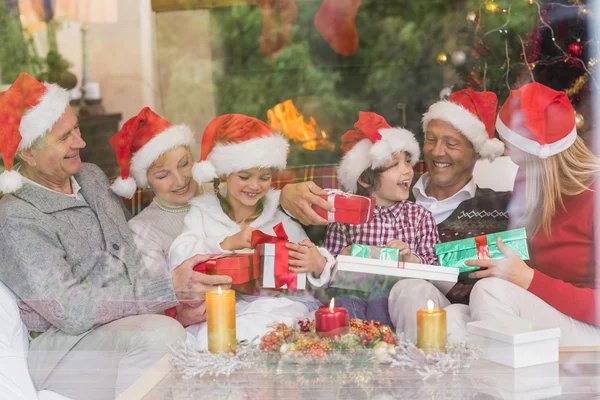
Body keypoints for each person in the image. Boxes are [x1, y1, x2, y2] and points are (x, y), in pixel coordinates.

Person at [0, 73, 208, 399]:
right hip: (62, 348)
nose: (80, 142)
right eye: (64, 137)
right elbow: (71, 311)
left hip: (124, 327)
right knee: (160, 335)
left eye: (77, 129)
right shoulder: (16, 217)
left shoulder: (92, 177)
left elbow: (130, 260)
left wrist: (174, 308)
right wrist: (167, 289)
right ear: (27, 153)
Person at [168, 114, 337, 347]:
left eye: (265, 177)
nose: (255, 186)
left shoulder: (278, 214)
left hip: (278, 305)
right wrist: (225, 243)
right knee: (199, 341)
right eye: (245, 176)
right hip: (222, 307)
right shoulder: (203, 212)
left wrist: (316, 263)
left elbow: (312, 261)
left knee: (265, 330)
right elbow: (179, 254)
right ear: (225, 174)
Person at [464, 82, 600, 346]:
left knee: (490, 294)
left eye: (508, 141)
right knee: (452, 317)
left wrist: (529, 279)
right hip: (549, 312)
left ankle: (513, 386)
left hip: (590, 328)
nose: (502, 146)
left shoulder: (594, 195)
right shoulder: (531, 183)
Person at [387, 89, 507, 341]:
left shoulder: (501, 208)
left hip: (458, 326)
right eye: (431, 140)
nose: (437, 152)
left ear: (475, 152)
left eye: (451, 144)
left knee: (411, 290)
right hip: (378, 320)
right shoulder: (393, 192)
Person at [110, 107, 233, 329]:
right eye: (162, 175)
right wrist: (184, 319)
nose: (180, 180)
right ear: (146, 181)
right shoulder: (141, 230)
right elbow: (156, 304)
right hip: (201, 325)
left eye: (184, 164)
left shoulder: (223, 194)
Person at [323, 112, 439, 325]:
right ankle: (355, 351)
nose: (407, 170)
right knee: (345, 303)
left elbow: (434, 266)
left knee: (380, 302)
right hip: (353, 292)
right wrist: (342, 256)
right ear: (366, 180)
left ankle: (385, 351)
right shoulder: (346, 218)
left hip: (397, 298)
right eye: (395, 165)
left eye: (407, 161)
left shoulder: (420, 217)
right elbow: (327, 268)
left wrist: (411, 258)